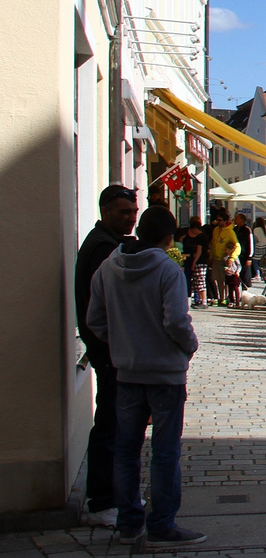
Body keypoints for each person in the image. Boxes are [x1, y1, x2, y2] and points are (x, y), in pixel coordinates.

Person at [86, 204, 205, 548]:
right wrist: (188, 347)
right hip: (165, 374)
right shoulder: (167, 270)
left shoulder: (108, 267)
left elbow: (95, 320)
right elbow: (176, 322)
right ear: (169, 238)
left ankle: (128, 524)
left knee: (126, 450)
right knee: (165, 452)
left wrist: (121, 342)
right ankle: (162, 525)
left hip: (127, 372)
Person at [74, 185, 140, 528]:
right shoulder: (103, 247)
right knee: (110, 426)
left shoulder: (105, 242)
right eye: (123, 212)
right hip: (110, 349)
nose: (130, 217)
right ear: (105, 211)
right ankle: (100, 501)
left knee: (116, 422)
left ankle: (114, 494)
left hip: (109, 348)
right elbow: (111, 303)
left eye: (133, 211)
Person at [232, 213, 254, 289]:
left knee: (245, 274)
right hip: (235, 255)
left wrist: (249, 257)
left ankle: (246, 289)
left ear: (241, 220)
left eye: (237, 218)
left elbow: (250, 243)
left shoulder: (247, 230)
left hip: (244, 256)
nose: (235, 219)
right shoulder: (234, 229)